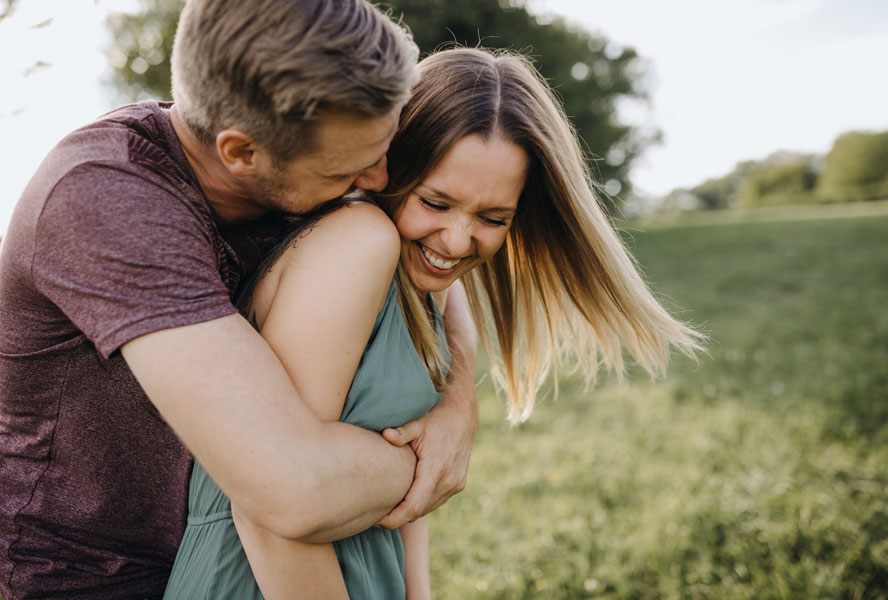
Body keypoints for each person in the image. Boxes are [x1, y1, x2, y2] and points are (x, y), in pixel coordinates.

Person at [162, 47, 705, 599]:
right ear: (389, 170)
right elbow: (267, 509)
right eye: (436, 202)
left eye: (493, 218)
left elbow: (411, 495)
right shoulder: (358, 244)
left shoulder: (425, 285)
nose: (457, 241)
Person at [0, 2, 480, 599]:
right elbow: (293, 489)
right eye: (351, 169)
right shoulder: (107, 202)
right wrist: (429, 460)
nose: (379, 181)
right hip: (99, 575)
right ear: (241, 153)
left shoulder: (302, 162)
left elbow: (435, 267)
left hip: (235, 562)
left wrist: (459, 403)